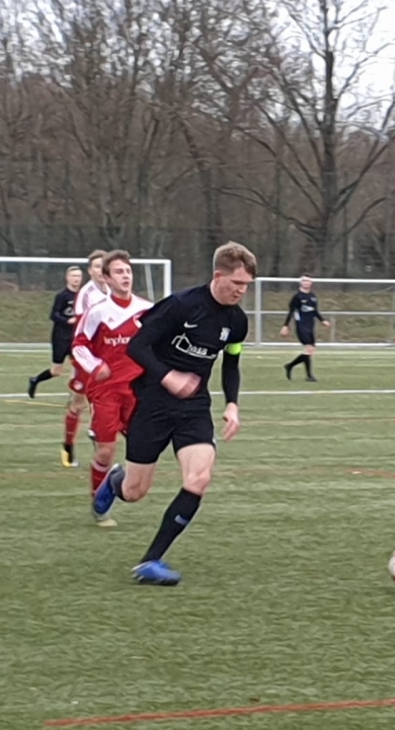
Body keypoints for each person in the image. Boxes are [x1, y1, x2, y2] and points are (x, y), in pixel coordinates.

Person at [92, 241, 256, 585]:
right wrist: (168, 377)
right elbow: (137, 346)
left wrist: (232, 404)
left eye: (247, 285)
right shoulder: (181, 305)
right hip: (152, 404)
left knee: (199, 479)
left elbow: (232, 362)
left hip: (194, 407)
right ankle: (116, 481)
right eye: (237, 283)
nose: (241, 290)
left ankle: (151, 561)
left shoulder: (237, 322)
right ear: (218, 275)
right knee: (135, 492)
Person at [70, 251, 152, 528]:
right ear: (106, 278)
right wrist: (95, 366)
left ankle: (118, 481)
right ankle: (99, 503)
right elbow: (79, 345)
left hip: (138, 391)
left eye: (128, 271)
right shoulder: (98, 312)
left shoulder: (147, 310)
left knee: (145, 448)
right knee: (106, 451)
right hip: (106, 391)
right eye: (118, 271)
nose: (125, 276)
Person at [62, 250, 110, 468]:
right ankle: (68, 446)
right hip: (88, 357)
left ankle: (101, 447)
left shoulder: (114, 290)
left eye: (104, 266)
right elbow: (83, 329)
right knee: (79, 402)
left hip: (108, 356)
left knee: (105, 401)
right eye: (97, 267)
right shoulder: (86, 294)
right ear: (90, 270)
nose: (101, 271)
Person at [28, 266, 82, 399]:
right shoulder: (62, 296)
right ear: (67, 278)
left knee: (78, 367)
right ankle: (35, 380)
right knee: (56, 371)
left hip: (76, 337)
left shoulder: (83, 295)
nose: (76, 279)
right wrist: (67, 321)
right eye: (73, 276)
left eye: (78, 276)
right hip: (61, 337)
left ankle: (73, 397)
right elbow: (54, 315)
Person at [281, 275, 330, 382]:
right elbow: (291, 312)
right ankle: (309, 376)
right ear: (301, 283)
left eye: (308, 281)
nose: (306, 282)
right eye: (304, 281)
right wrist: (285, 326)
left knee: (310, 351)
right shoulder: (297, 297)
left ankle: (290, 366)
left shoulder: (313, 296)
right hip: (301, 326)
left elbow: (315, 311)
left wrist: (322, 320)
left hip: (310, 326)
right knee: (308, 349)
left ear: (311, 283)